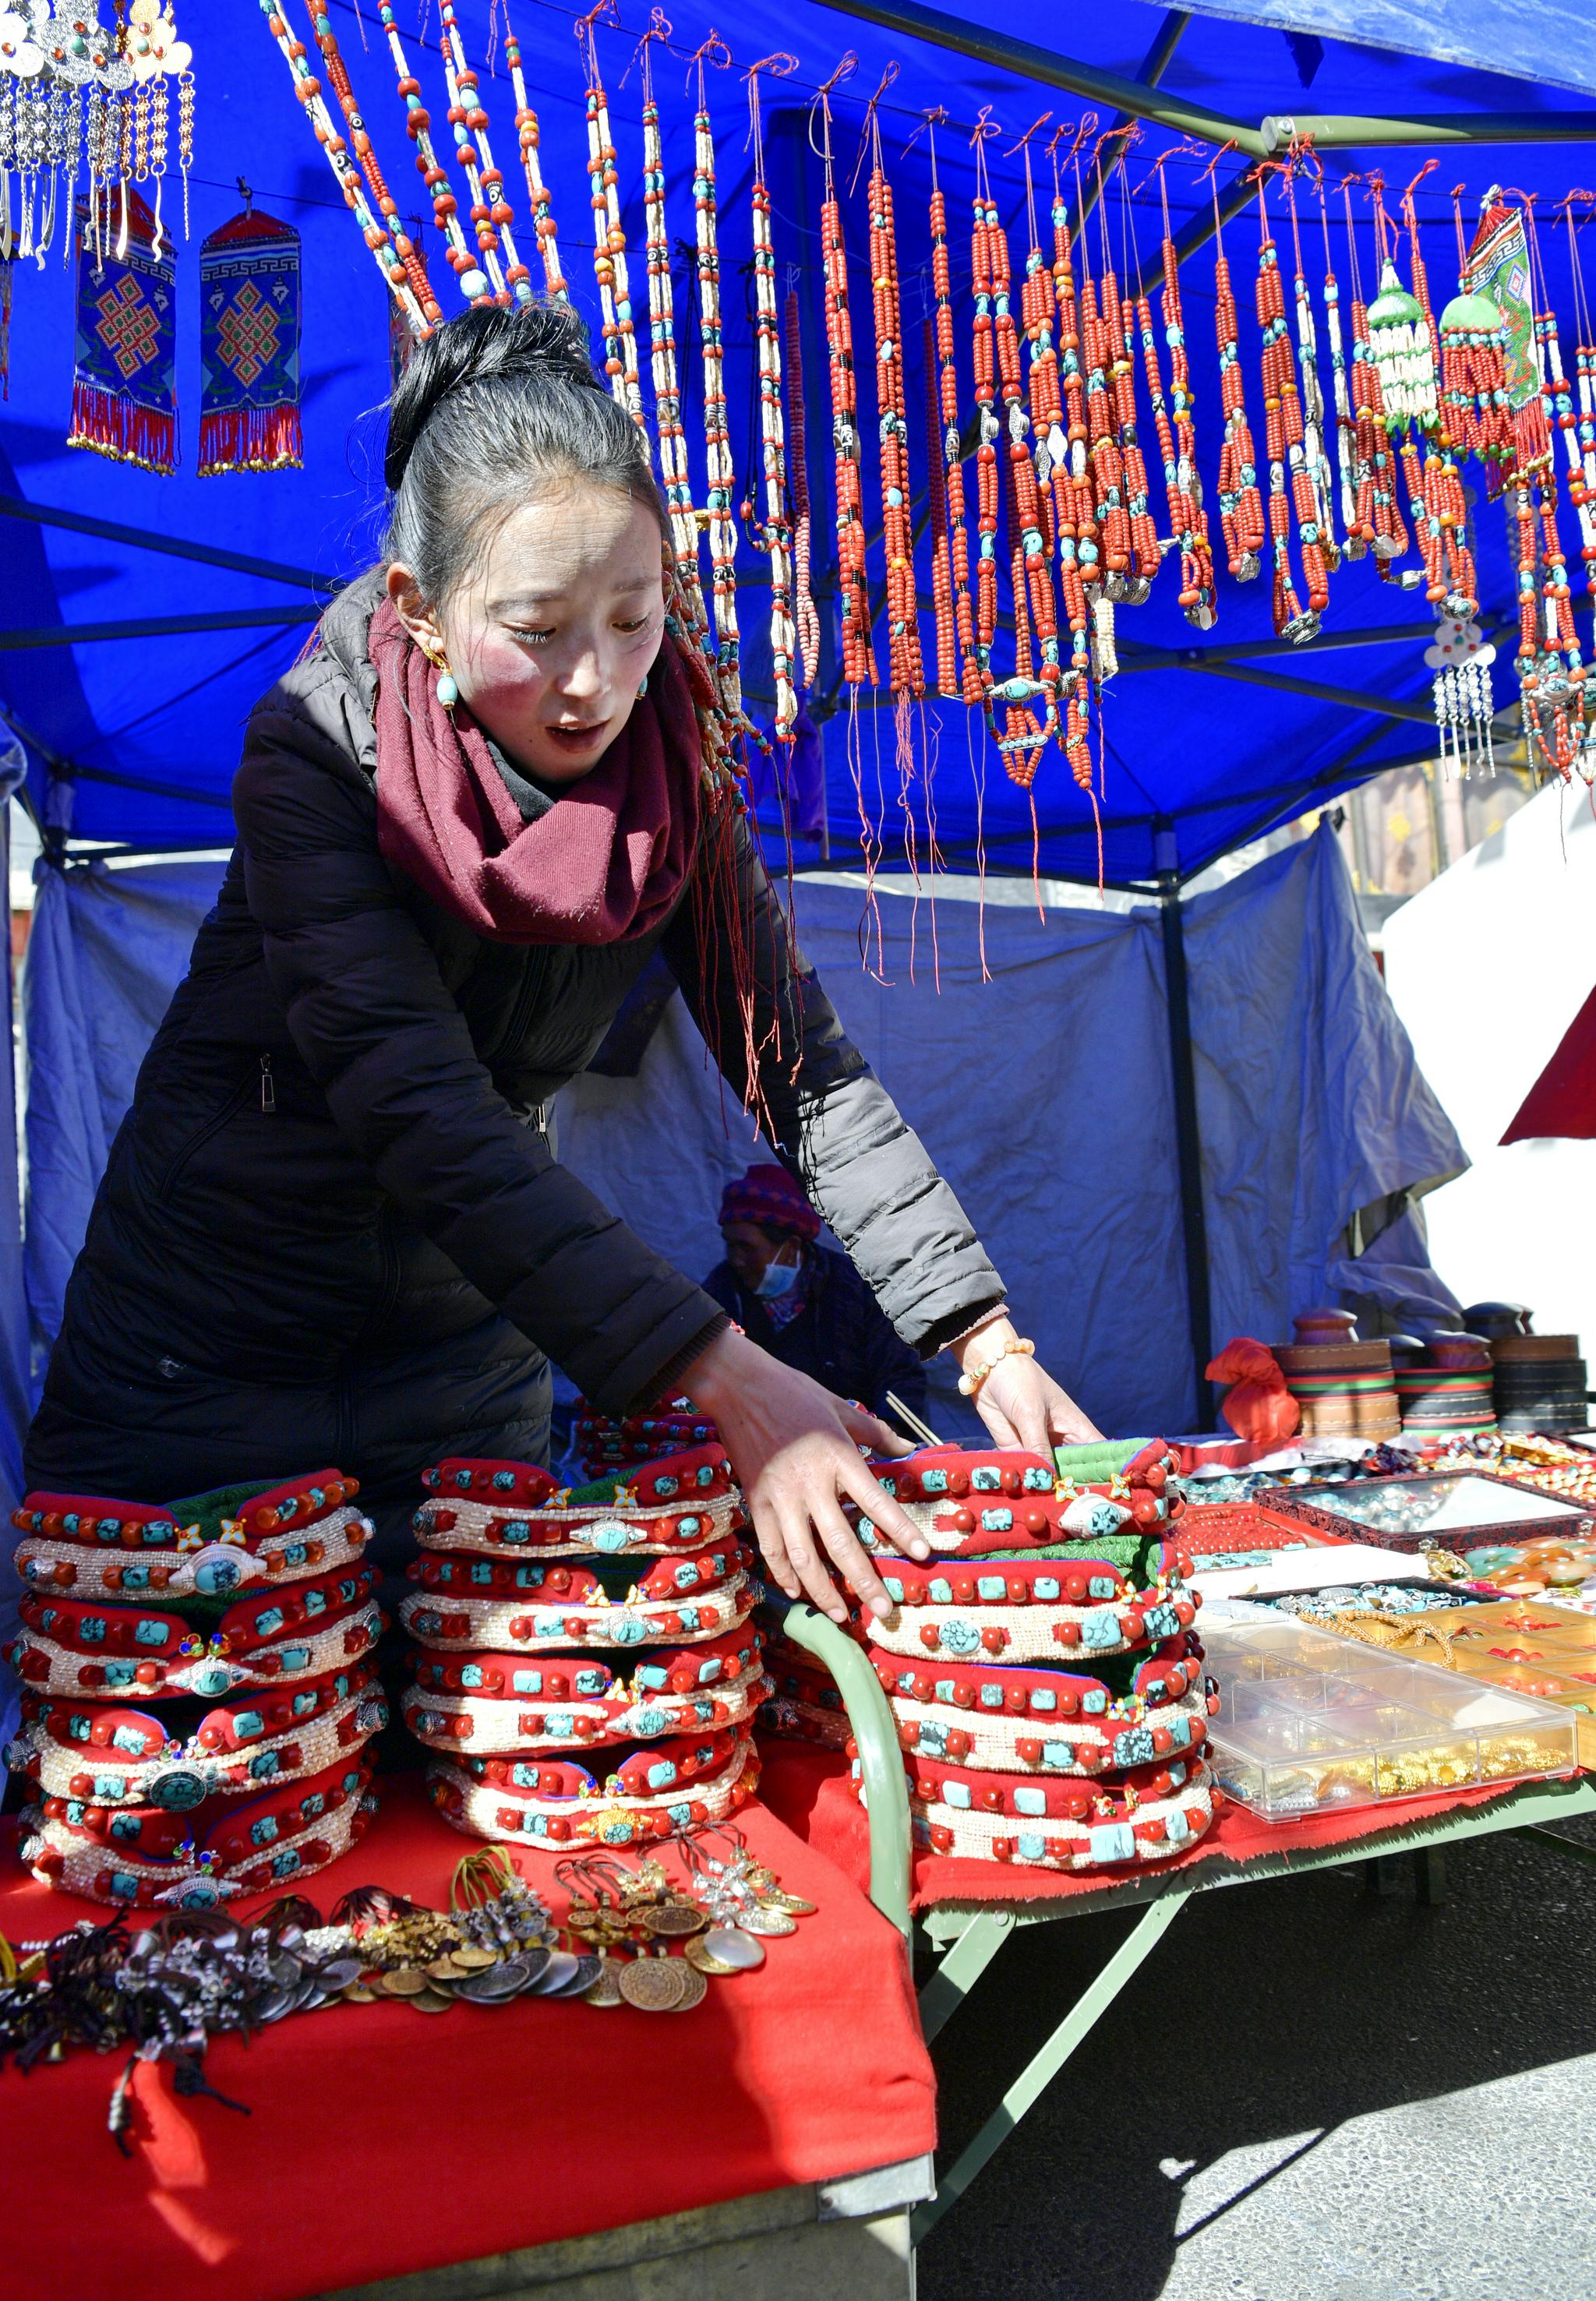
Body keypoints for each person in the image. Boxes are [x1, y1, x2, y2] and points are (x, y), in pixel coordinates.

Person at [24, 302, 1100, 1629]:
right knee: (196, 1775)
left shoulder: (677, 764)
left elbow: (799, 1074)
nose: (597, 682)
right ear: (420, 613)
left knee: (501, 1766)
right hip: (202, 1347)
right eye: (538, 630)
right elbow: (419, 1106)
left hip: (469, 1353)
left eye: (634, 618)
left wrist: (981, 1337)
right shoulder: (310, 752)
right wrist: (728, 1371)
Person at [706, 1164, 927, 1426]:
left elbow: (900, 1377)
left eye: (746, 1247)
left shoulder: (855, 1289)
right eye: (730, 1245)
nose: (736, 1260)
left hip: (858, 1440)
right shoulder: (720, 1294)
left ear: (791, 1248)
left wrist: (886, 1438)